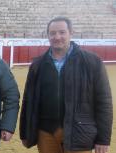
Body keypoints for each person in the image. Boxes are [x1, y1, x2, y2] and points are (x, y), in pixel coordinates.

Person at [20, 17, 113, 153]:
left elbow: (104, 102)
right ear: (48, 35)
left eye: (62, 32)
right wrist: (24, 133)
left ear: (71, 33)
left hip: (79, 133)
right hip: (46, 133)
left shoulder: (92, 62)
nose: (57, 37)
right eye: (52, 33)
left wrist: (103, 139)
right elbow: (28, 101)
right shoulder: (38, 65)